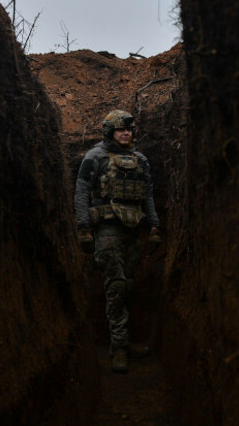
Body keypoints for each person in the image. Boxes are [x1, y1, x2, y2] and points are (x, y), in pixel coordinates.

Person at [74, 109, 162, 373]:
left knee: (129, 286)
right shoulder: (95, 156)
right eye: (121, 129)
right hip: (107, 231)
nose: (126, 133)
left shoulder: (140, 160)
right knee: (116, 287)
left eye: (129, 129)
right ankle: (119, 349)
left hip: (133, 232)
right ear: (110, 132)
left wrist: (155, 226)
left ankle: (125, 342)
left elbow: (148, 196)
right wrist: (83, 228)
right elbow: (81, 192)